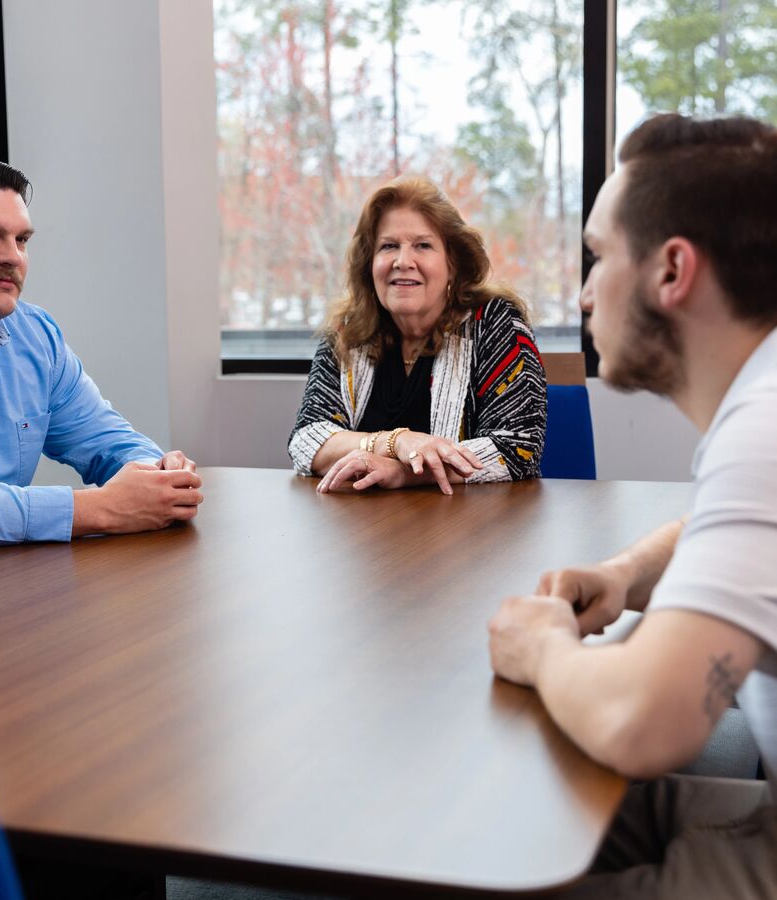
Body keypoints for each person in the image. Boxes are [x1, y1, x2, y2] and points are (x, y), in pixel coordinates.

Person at [489, 113, 777, 899]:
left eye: (597, 257)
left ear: (672, 270)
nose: (583, 294)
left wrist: (542, 646)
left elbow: (644, 727)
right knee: (506, 831)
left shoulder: (764, 429)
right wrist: (628, 572)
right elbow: (735, 531)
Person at [0, 154, 202, 559]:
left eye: (22, 239)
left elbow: (108, 442)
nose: (12, 256)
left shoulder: (35, 335)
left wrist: (161, 475)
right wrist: (96, 509)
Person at [288, 177, 546, 495]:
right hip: (360, 530)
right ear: (370, 263)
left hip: (471, 530)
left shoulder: (492, 321)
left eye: (422, 245)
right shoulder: (347, 331)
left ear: (452, 263)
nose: (403, 261)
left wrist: (402, 472)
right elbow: (306, 439)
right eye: (389, 246)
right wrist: (394, 442)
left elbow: (517, 449)